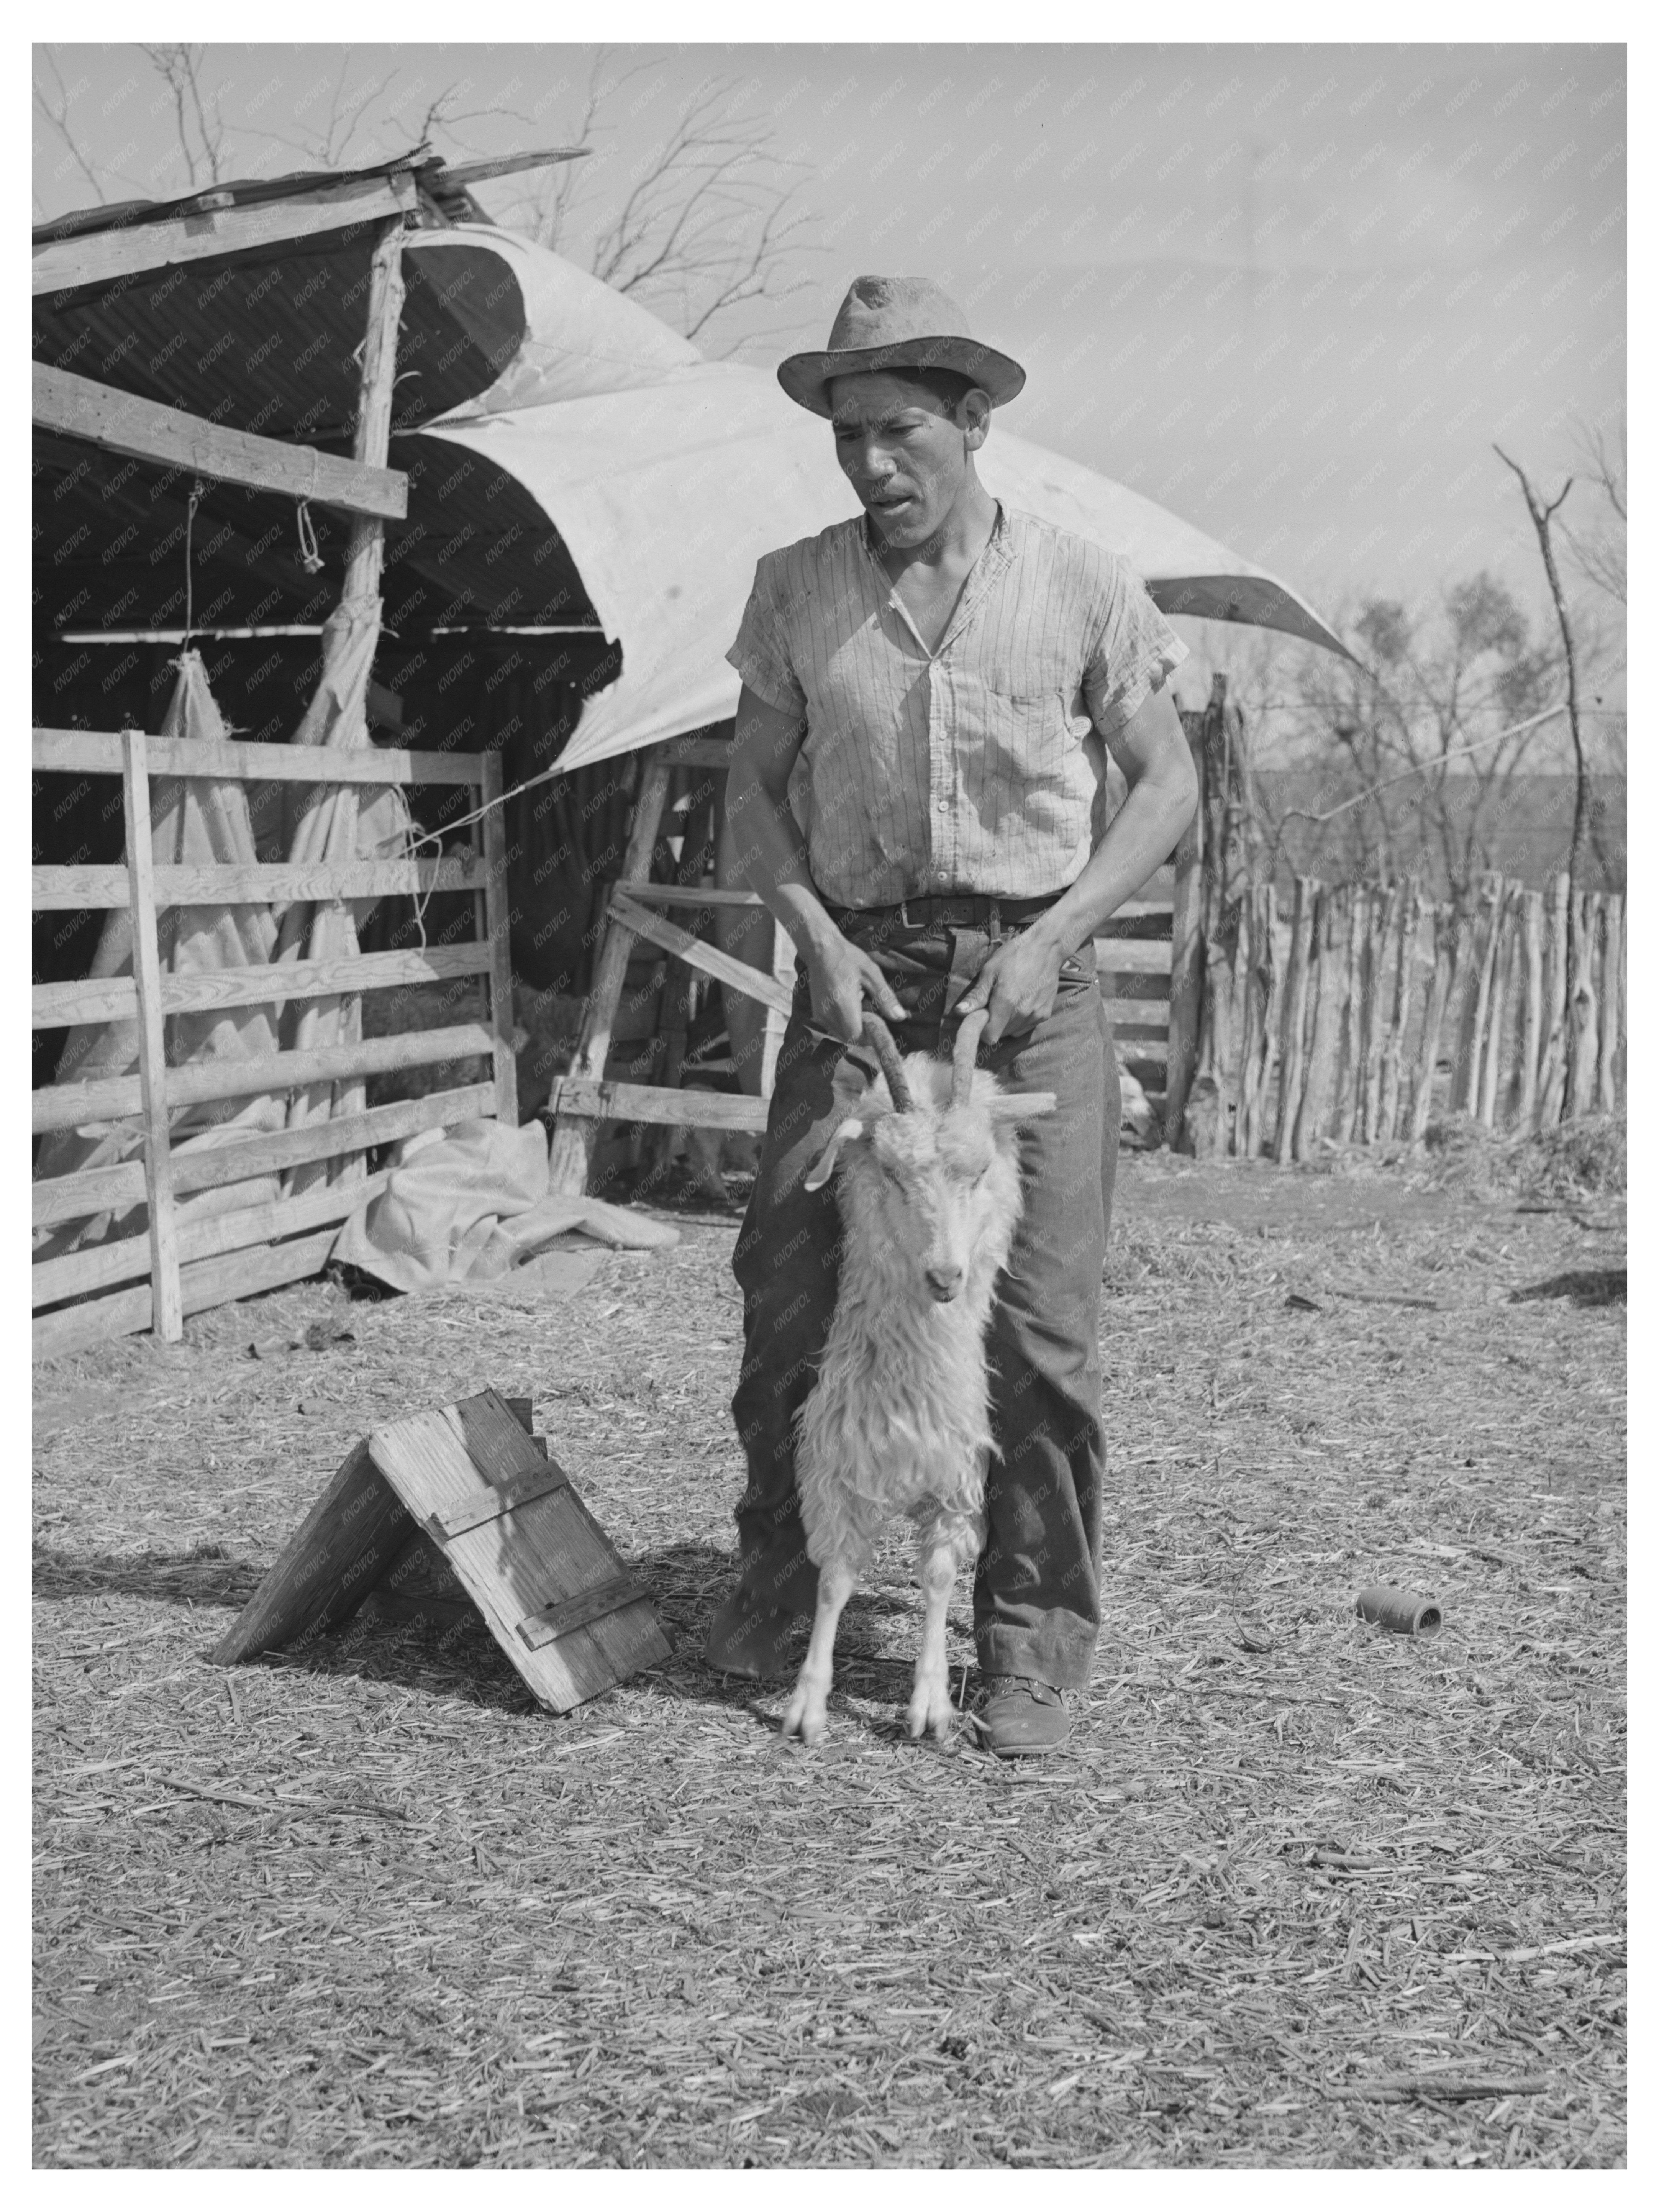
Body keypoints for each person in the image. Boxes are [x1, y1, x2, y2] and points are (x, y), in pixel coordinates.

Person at [704, 275, 1199, 1756]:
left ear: (974, 422)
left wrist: (1056, 937)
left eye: (900, 430)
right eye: (847, 434)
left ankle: (1032, 1637)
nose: (869, 464)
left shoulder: (1085, 584)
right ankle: (787, 1581)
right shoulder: (794, 588)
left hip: (1023, 990)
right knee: (790, 1287)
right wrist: (813, 940)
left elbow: (1165, 787)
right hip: (857, 985)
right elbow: (751, 792)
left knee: (1037, 1324)